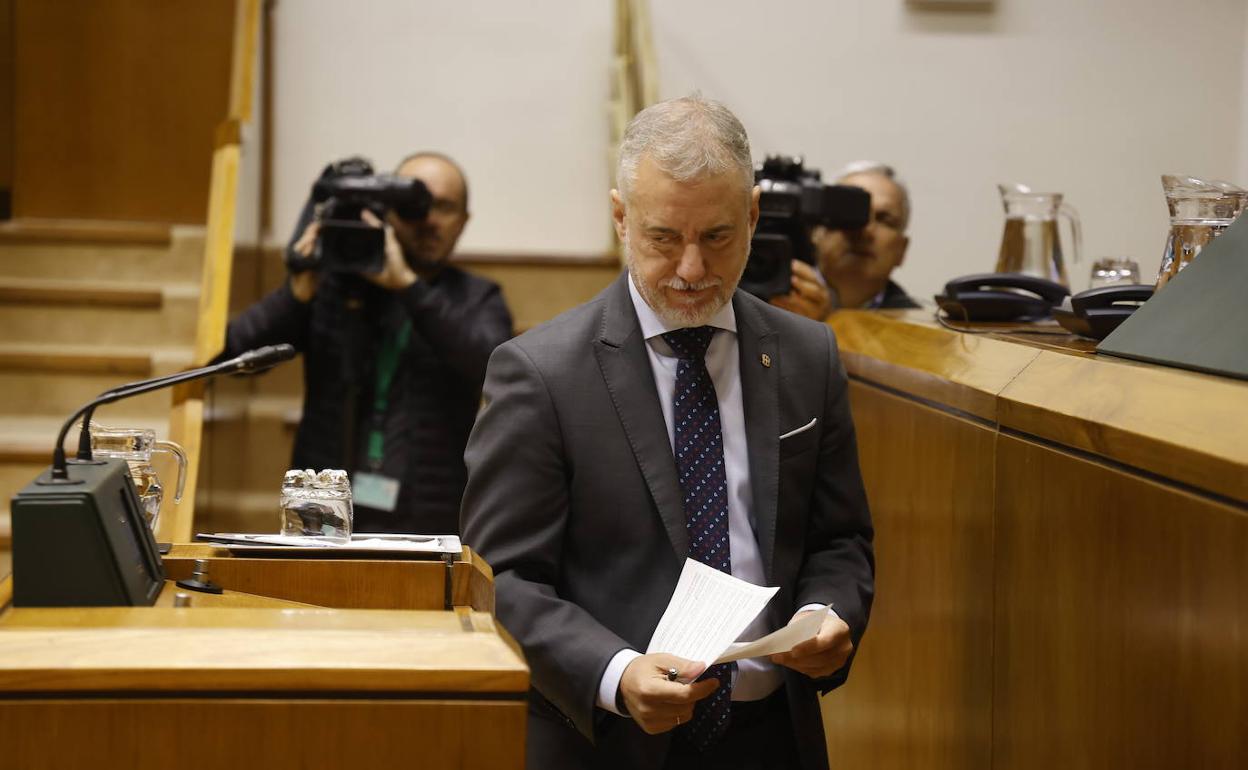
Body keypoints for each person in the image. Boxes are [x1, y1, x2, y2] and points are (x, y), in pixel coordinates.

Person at [460, 96, 874, 770]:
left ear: (753, 217)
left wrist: (832, 612)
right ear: (621, 217)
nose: (690, 270)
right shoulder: (539, 373)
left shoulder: (807, 357)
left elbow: (841, 538)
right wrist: (616, 673)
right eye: (662, 238)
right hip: (607, 742)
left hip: (771, 740)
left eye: (716, 237)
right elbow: (502, 578)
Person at [220, 152, 512, 535]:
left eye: (444, 207)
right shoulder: (332, 287)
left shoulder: (476, 297)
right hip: (322, 504)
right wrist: (297, 294)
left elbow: (490, 366)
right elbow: (234, 357)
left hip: (432, 515)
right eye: (414, 205)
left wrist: (408, 287)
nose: (428, 219)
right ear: (388, 210)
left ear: (463, 221)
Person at [770, 161, 919, 320]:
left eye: (884, 219)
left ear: (902, 250)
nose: (865, 229)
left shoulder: (923, 332)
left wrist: (823, 328)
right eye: (850, 210)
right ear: (816, 231)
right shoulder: (764, 296)